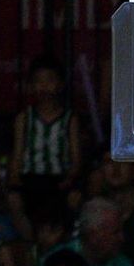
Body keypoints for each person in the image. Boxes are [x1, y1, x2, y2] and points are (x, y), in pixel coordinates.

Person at [9, 55, 82, 193]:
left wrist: (70, 179)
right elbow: (17, 154)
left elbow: (76, 157)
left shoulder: (70, 119)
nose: (44, 86)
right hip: (30, 178)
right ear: (30, 85)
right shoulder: (24, 118)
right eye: (38, 81)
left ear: (60, 84)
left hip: (60, 179)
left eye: (50, 80)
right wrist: (14, 178)